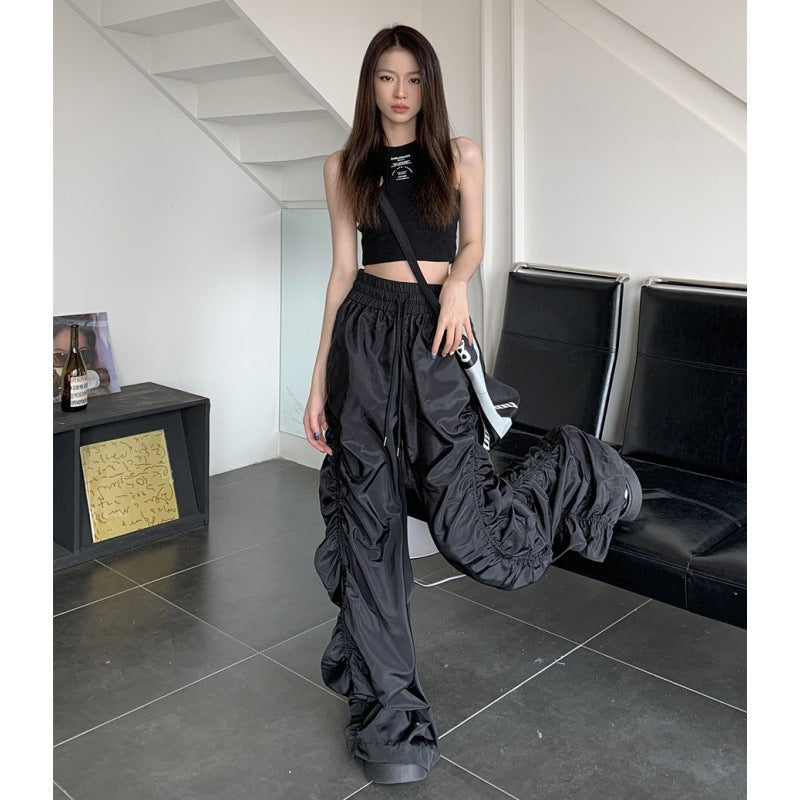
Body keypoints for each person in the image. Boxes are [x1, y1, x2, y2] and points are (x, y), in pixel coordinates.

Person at [303, 25, 641, 785]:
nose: (399, 93)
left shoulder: (459, 156)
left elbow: (476, 243)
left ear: (429, 84)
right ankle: (391, 719)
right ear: (369, 85)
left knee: (465, 527)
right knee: (369, 525)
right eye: (386, 78)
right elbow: (340, 273)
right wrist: (319, 380)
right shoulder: (342, 167)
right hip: (363, 340)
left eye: (413, 78)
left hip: (434, 338)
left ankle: (583, 469)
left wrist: (456, 282)